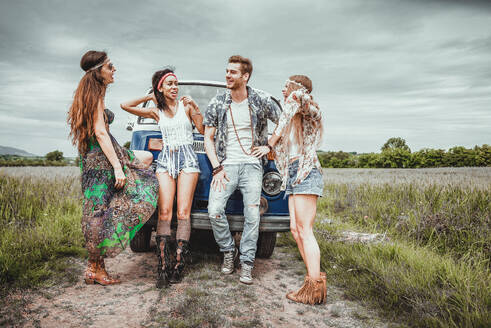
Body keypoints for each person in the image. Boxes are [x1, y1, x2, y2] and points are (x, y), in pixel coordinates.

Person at [68, 50, 159, 286]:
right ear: (98, 72)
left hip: (93, 158)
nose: (114, 69)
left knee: (145, 160)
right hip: (100, 160)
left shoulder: (90, 92)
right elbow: (99, 131)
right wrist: (118, 167)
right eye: (110, 66)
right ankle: (94, 268)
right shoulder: (95, 94)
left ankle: (96, 267)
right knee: (97, 213)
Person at [121, 68, 204, 288]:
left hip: (188, 160)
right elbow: (125, 106)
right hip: (166, 160)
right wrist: (150, 96)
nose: (175, 87)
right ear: (161, 87)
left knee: (183, 212)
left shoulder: (186, 107)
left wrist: (195, 107)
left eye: (176, 84)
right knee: (165, 212)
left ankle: (178, 264)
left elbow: (202, 129)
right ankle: (163, 267)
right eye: (169, 84)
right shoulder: (155, 111)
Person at [203, 55, 282, 285]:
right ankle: (229, 251)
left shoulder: (261, 100)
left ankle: (247, 263)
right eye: (227, 71)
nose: (228, 75)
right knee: (214, 211)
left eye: (233, 72)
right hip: (226, 166)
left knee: (252, 216)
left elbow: (285, 121)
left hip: (252, 167)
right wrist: (217, 167)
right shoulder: (217, 102)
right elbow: (208, 138)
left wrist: (269, 145)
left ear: (245, 76)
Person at [267, 75, 326, 304]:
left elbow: (305, 103)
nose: (283, 89)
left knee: (305, 229)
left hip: (306, 170)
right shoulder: (290, 117)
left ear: (299, 89)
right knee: (294, 229)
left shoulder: (307, 109)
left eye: (286, 85)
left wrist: (297, 94)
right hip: (292, 173)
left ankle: (314, 288)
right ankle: (313, 283)